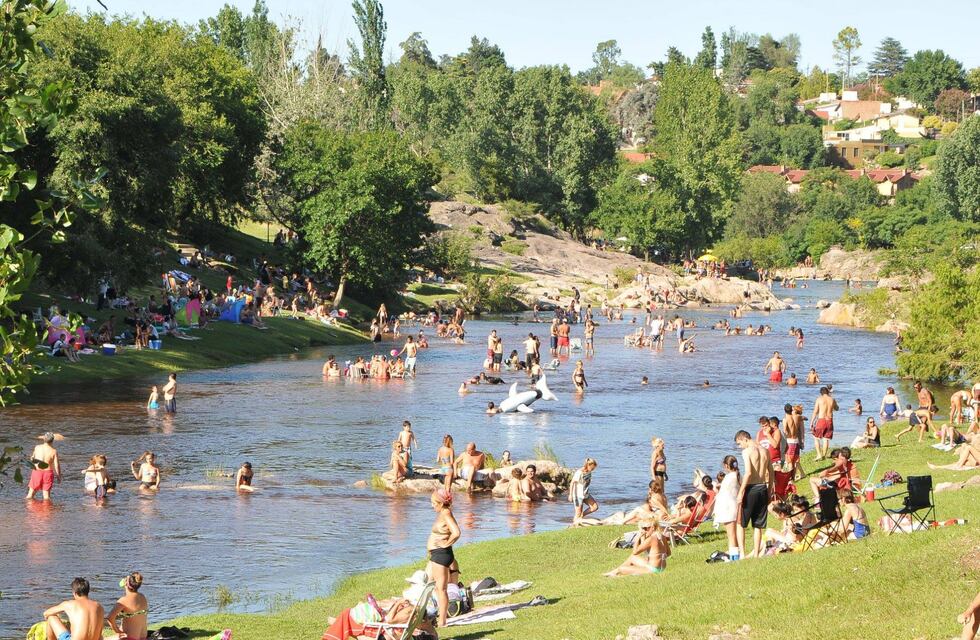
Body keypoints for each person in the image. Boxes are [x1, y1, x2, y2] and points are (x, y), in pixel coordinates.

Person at [734, 430, 773, 559]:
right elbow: (771, 473)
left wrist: (741, 491)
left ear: (744, 439)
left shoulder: (747, 452)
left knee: (741, 523)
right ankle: (756, 554)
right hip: (762, 487)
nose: (740, 447)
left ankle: (742, 554)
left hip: (751, 488)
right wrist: (769, 490)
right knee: (758, 524)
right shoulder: (765, 450)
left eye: (739, 443)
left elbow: (749, 472)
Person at [427, 488, 461, 627]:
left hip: (441, 555)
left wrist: (445, 544)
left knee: (441, 589)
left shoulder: (446, 513)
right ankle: (431, 614)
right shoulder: (442, 512)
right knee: (428, 584)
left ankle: (442, 621)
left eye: (434, 503)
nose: (432, 505)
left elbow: (456, 532)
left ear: (441, 503)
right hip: (437, 555)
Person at [604, 519, 670, 577]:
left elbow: (635, 552)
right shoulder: (661, 536)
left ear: (652, 527)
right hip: (661, 568)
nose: (644, 530)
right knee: (633, 558)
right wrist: (656, 557)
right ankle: (614, 572)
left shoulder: (651, 539)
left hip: (653, 570)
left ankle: (616, 572)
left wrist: (638, 537)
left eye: (646, 528)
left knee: (622, 568)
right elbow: (669, 553)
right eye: (642, 528)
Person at [106, 573, 148, 640]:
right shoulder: (142, 597)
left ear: (126, 584)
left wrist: (118, 631)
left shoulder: (123, 600)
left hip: (129, 637)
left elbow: (110, 618)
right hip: (143, 637)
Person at [713, 455, 741, 560]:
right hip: (733, 506)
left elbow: (723, 493)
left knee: (731, 535)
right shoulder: (738, 476)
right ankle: (736, 553)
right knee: (734, 534)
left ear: (726, 465)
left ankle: (734, 557)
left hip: (727, 508)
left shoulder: (729, 477)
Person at [26, 432, 61, 501]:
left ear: (44, 439)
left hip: (37, 471)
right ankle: (47, 510)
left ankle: (28, 511)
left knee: (30, 494)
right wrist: (58, 476)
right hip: (48, 473)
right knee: (46, 496)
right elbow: (56, 465)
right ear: (52, 440)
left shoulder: (37, 447)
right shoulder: (54, 451)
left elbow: (32, 458)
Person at [811, 386, 838, 461]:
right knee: (826, 439)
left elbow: (815, 411)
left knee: (816, 437)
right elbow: (837, 408)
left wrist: (811, 422)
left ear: (821, 393)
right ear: (828, 392)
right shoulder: (832, 399)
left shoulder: (819, 399)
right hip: (829, 420)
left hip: (821, 420)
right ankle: (823, 456)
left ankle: (819, 454)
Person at [570, 457, 598, 524]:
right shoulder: (579, 472)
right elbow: (572, 483)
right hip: (577, 495)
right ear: (588, 465)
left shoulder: (589, 472)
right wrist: (570, 495)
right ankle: (573, 526)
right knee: (577, 513)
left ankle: (581, 517)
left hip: (585, 494)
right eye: (592, 467)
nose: (593, 469)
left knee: (594, 507)